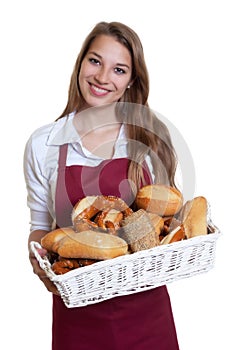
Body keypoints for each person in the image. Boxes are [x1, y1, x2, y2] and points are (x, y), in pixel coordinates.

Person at [24, 21, 180, 350]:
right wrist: (37, 258)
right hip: (76, 320)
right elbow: (40, 229)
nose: (102, 77)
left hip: (147, 317)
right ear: (80, 62)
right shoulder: (44, 144)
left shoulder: (149, 139)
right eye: (95, 61)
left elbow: (169, 225)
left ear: (131, 81)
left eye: (119, 69)